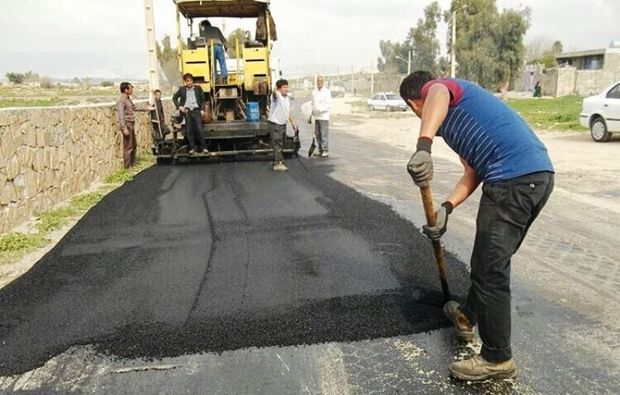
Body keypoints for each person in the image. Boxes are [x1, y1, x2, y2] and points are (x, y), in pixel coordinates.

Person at [400, 71, 554, 381]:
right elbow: (472, 172)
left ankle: (497, 359)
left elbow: (438, 92)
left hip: (513, 180)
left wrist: (423, 146)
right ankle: (467, 317)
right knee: (491, 263)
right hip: (534, 178)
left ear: (414, 104)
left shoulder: (439, 88)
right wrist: (446, 208)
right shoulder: (458, 120)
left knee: (489, 270)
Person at [116, 82, 153, 168]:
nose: (132, 90)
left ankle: (132, 164)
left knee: (133, 144)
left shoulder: (128, 99)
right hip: (127, 124)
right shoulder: (121, 101)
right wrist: (124, 128)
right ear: (126, 90)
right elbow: (121, 115)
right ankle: (128, 166)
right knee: (128, 146)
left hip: (131, 123)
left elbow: (134, 107)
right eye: (131, 88)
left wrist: (147, 108)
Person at [172, 73, 207, 154]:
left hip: (196, 110)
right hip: (187, 111)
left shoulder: (198, 88)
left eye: (190, 81)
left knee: (199, 129)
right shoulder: (182, 89)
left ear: (192, 81)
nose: (189, 83)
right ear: (185, 82)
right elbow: (174, 98)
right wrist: (180, 107)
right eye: (187, 81)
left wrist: (202, 110)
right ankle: (193, 148)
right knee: (189, 130)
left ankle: (204, 147)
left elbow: (203, 99)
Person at [268, 79, 297, 172]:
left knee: (283, 143)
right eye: (284, 87)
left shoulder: (286, 98)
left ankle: (279, 159)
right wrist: (274, 91)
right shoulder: (277, 96)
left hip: (283, 124)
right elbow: (274, 95)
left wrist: (293, 122)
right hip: (276, 124)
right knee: (277, 143)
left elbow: (287, 112)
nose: (286, 89)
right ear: (279, 89)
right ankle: (277, 163)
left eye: (286, 87)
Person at [309, 75, 332, 157]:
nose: (319, 82)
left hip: (324, 117)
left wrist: (320, 110)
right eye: (318, 81)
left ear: (323, 82)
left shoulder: (327, 92)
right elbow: (313, 104)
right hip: (316, 117)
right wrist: (310, 114)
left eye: (321, 81)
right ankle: (320, 150)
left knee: (324, 134)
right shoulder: (314, 92)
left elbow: (329, 105)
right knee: (317, 134)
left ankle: (325, 150)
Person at [199, 20, 228, 84]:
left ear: (204, 25)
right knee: (222, 62)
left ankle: (215, 79)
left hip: (211, 47)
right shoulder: (216, 29)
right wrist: (226, 47)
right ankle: (225, 78)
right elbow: (223, 38)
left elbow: (201, 42)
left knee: (213, 63)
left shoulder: (203, 31)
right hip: (219, 46)